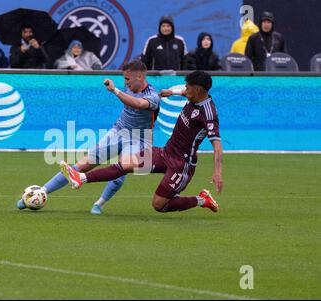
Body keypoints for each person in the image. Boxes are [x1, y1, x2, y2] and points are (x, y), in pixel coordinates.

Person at [60, 71, 222, 214]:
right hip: (166, 152)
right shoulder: (194, 95)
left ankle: (202, 200)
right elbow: (184, 93)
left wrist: (217, 172)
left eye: (188, 87)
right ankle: (80, 178)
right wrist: (171, 92)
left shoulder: (208, 114)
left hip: (181, 164)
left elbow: (217, 146)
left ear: (198, 89)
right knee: (125, 164)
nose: (185, 90)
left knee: (159, 205)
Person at [17, 60, 161, 214]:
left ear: (139, 76)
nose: (125, 82)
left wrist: (115, 91)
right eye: (124, 78)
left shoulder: (152, 95)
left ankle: (99, 204)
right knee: (83, 164)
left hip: (140, 138)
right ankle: (41, 192)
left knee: (121, 168)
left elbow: (138, 104)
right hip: (118, 130)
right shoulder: (130, 86)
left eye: (127, 79)